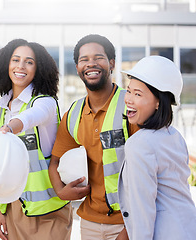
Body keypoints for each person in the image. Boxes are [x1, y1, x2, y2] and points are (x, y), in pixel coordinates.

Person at [49, 34, 139, 240]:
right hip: (89, 222)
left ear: (112, 63)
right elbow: (55, 161)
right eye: (84, 59)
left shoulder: (132, 105)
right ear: (78, 67)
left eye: (98, 57)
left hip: (129, 221)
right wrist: (61, 192)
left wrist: (129, 229)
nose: (91, 64)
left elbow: (152, 171)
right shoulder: (73, 114)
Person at [0, 38, 72, 240]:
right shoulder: (2, 107)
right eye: (15, 60)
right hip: (17, 207)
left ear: (38, 68)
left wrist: (10, 127)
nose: (21, 66)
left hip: (50, 211)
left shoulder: (45, 103)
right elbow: (4, 168)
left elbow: (30, 117)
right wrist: (1, 209)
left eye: (29, 62)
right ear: (6, 64)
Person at [118, 55, 196, 240]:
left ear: (159, 101)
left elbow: (142, 211)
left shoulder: (140, 144)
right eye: (128, 91)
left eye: (138, 94)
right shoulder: (173, 135)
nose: (128, 99)